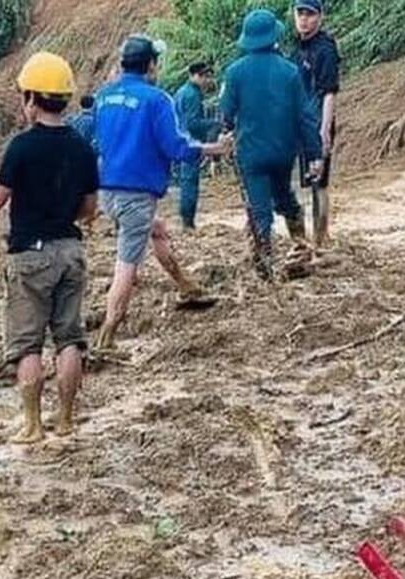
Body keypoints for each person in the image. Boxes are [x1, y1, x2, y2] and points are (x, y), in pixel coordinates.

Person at [0, 52, 98, 445]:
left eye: (23, 97)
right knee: (70, 339)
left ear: (32, 98)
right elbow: (89, 210)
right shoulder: (83, 148)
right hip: (70, 251)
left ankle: (32, 425)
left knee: (27, 343)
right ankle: (65, 419)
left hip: (29, 256)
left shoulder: (21, 147)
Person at [93, 34, 230, 352]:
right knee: (126, 264)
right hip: (137, 194)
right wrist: (214, 148)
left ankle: (186, 286)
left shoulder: (103, 97)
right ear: (151, 65)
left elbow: (99, 140)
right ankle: (107, 335)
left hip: (108, 191)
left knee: (157, 230)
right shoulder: (157, 100)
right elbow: (176, 147)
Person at [220, 9, 323, 280]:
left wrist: (227, 132)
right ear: (274, 37)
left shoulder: (234, 72)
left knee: (259, 209)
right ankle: (301, 246)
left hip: (251, 154)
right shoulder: (289, 71)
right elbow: (305, 116)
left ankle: (264, 266)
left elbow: (226, 114)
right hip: (282, 152)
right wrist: (314, 153)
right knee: (284, 196)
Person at [292, 0, 341, 249]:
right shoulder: (297, 47)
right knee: (309, 183)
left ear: (320, 16)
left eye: (309, 14)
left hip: (317, 125)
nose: (304, 19)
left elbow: (329, 92)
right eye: (300, 13)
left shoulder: (325, 49)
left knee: (319, 185)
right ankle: (316, 237)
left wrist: (324, 129)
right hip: (301, 125)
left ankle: (319, 242)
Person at [173, 62, 219, 230]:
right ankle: (188, 222)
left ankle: (187, 220)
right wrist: (214, 124)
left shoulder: (181, 92)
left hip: (180, 141)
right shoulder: (192, 94)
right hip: (190, 142)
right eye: (205, 76)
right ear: (194, 76)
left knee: (186, 182)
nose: (208, 80)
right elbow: (193, 123)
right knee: (189, 183)